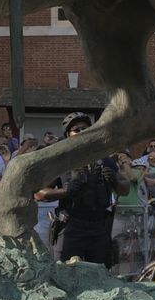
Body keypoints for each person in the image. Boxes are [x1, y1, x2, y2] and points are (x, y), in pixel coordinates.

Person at [36, 113, 127, 266]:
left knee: (101, 278)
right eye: (76, 130)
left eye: (85, 128)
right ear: (67, 134)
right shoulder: (60, 160)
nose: (81, 132)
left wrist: (115, 180)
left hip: (99, 228)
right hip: (72, 227)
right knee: (66, 276)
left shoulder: (105, 159)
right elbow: (39, 193)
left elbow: (125, 189)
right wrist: (65, 191)